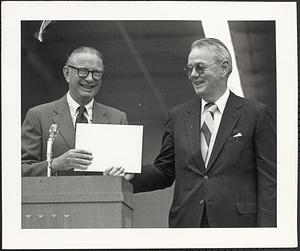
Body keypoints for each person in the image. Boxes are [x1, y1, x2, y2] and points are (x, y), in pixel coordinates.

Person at [109, 37, 277, 228]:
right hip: (187, 224)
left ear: (224, 68)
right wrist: (133, 174)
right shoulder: (178, 116)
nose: (193, 75)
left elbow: (269, 183)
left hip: (237, 226)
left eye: (200, 67)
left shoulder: (256, 114)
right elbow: (165, 170)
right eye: (189, 69)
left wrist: (268, 233)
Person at [22, 46, 128, 177]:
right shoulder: (38, 116)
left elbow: (128, 171)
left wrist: (118, 176)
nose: (90, 79)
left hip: (102, 197)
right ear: (67, 73)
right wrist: (54, 164)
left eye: (97, 73)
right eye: (83, 71)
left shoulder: (117, 119)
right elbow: (20, 170)